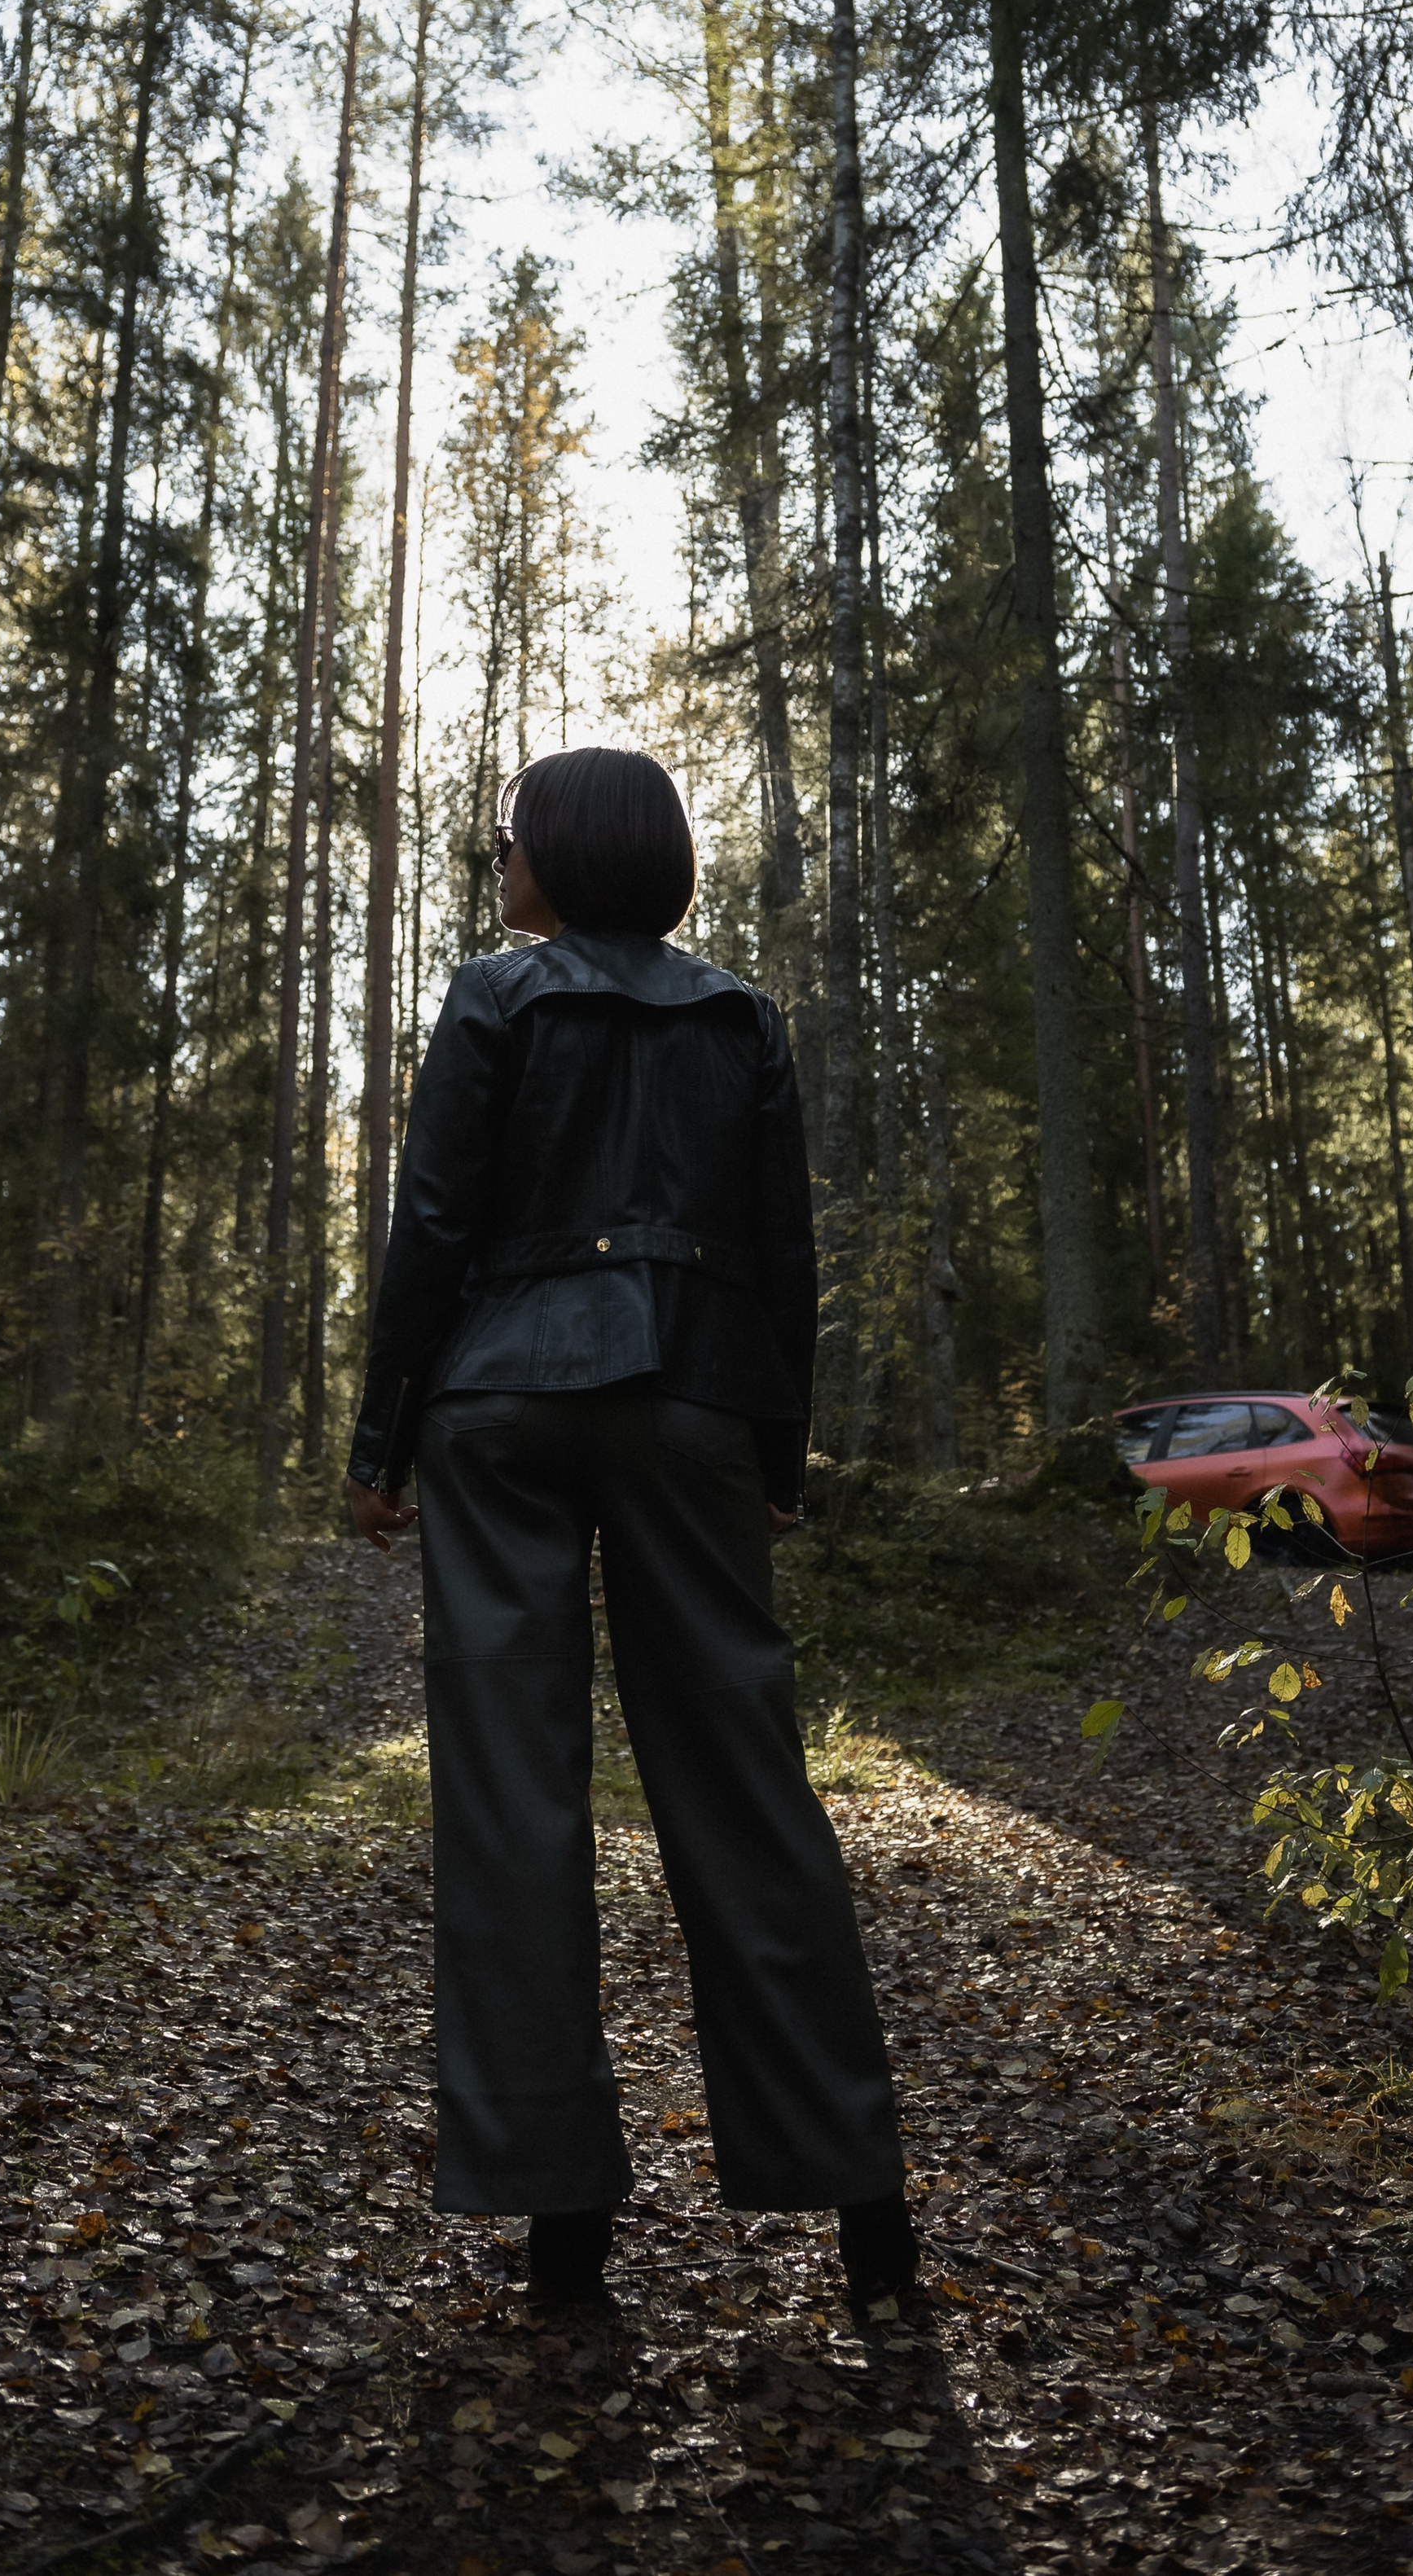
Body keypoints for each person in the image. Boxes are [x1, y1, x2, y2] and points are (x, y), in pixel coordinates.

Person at [345, 743, 916, 2315]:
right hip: (690, 1409)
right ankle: (866, 2219)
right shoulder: (739, 1014)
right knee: (748, 1795)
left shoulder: (493, 997)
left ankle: (562, 2235)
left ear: (570, 852)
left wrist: (376, 1444)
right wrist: (777, 1450)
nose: (493, 859)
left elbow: (437, 1228)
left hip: (497, 1410)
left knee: (513, 1807)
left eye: (507, 836)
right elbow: (780, 1251)